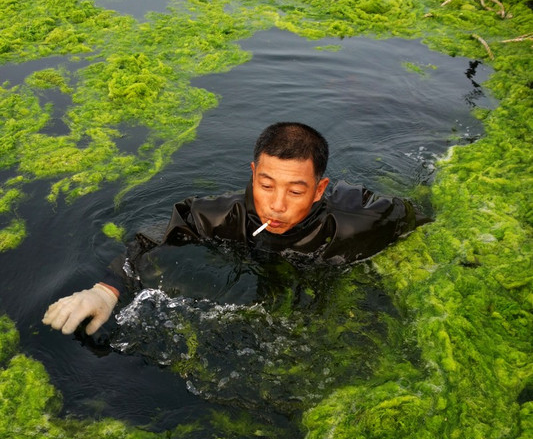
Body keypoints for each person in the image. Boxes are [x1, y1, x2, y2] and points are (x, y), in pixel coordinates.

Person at [43, 122, 426, 336]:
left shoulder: (362, 221)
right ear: (253, 174)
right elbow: (154, 238)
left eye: (296, 190)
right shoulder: (223, 213)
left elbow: (421, 216)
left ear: (319, 189)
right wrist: (105, 291)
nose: (276, 205)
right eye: (266, 185)